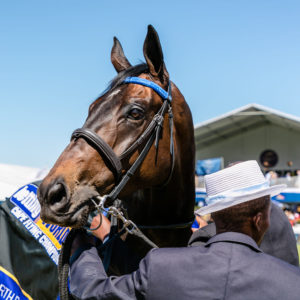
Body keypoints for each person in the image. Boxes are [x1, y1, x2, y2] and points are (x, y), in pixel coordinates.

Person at [69, 160, 300, 300]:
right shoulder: (292, 284)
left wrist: (83, 248)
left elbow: (91, 290)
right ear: (261, 221)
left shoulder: (160, 266)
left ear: (214, 215)